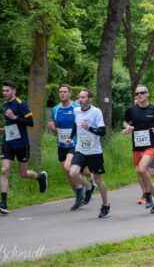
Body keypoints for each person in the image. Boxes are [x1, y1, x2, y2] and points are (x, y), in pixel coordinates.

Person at [0, 80, 48, 215]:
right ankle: (3, 203)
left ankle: (40, 178)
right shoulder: (5, 104)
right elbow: (12, 126)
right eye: (3, 90)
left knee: (23, 173)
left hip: (21, 144)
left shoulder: (21, 104)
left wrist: (14, 117)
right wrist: (3, 130)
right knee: (4, 170)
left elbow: (30, 122)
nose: (4, 93)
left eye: (7, 90)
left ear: (14, 91)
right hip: (8, 143)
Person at [64, 89, 110, 218]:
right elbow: (75, 125)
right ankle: (89, 187)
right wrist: (71, 137)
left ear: (89, 99)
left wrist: (89, 128)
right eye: (79, 98)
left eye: (83, 97)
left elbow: (102, 132)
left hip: (95, 151)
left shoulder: (96, 112)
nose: (80, 100)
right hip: (81, 150)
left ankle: (105, 204)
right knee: (72, 172)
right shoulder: (76, 111)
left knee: (99, 179)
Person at [123, 85, 154, 214]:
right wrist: (128, 128)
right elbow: (125, 122)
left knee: (142, 170)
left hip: (150, 145)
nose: (139, 95)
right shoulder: (131, 110)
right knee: (144, 174)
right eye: (137, 94)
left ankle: (147, 194)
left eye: (142, 93)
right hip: (137, 147)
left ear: (147, 94)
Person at [47, 84, 95, 194]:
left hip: (75, 143)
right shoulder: (55, 109)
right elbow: (56, 131)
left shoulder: (76, 108)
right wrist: (53, 129)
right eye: (60, 92)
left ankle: (85, 188)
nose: (62, 94)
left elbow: (83, 124)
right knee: (71, 171)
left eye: (65, 92)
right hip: (62, 145)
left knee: (68, 167)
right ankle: (80, 194)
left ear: (70, 93)